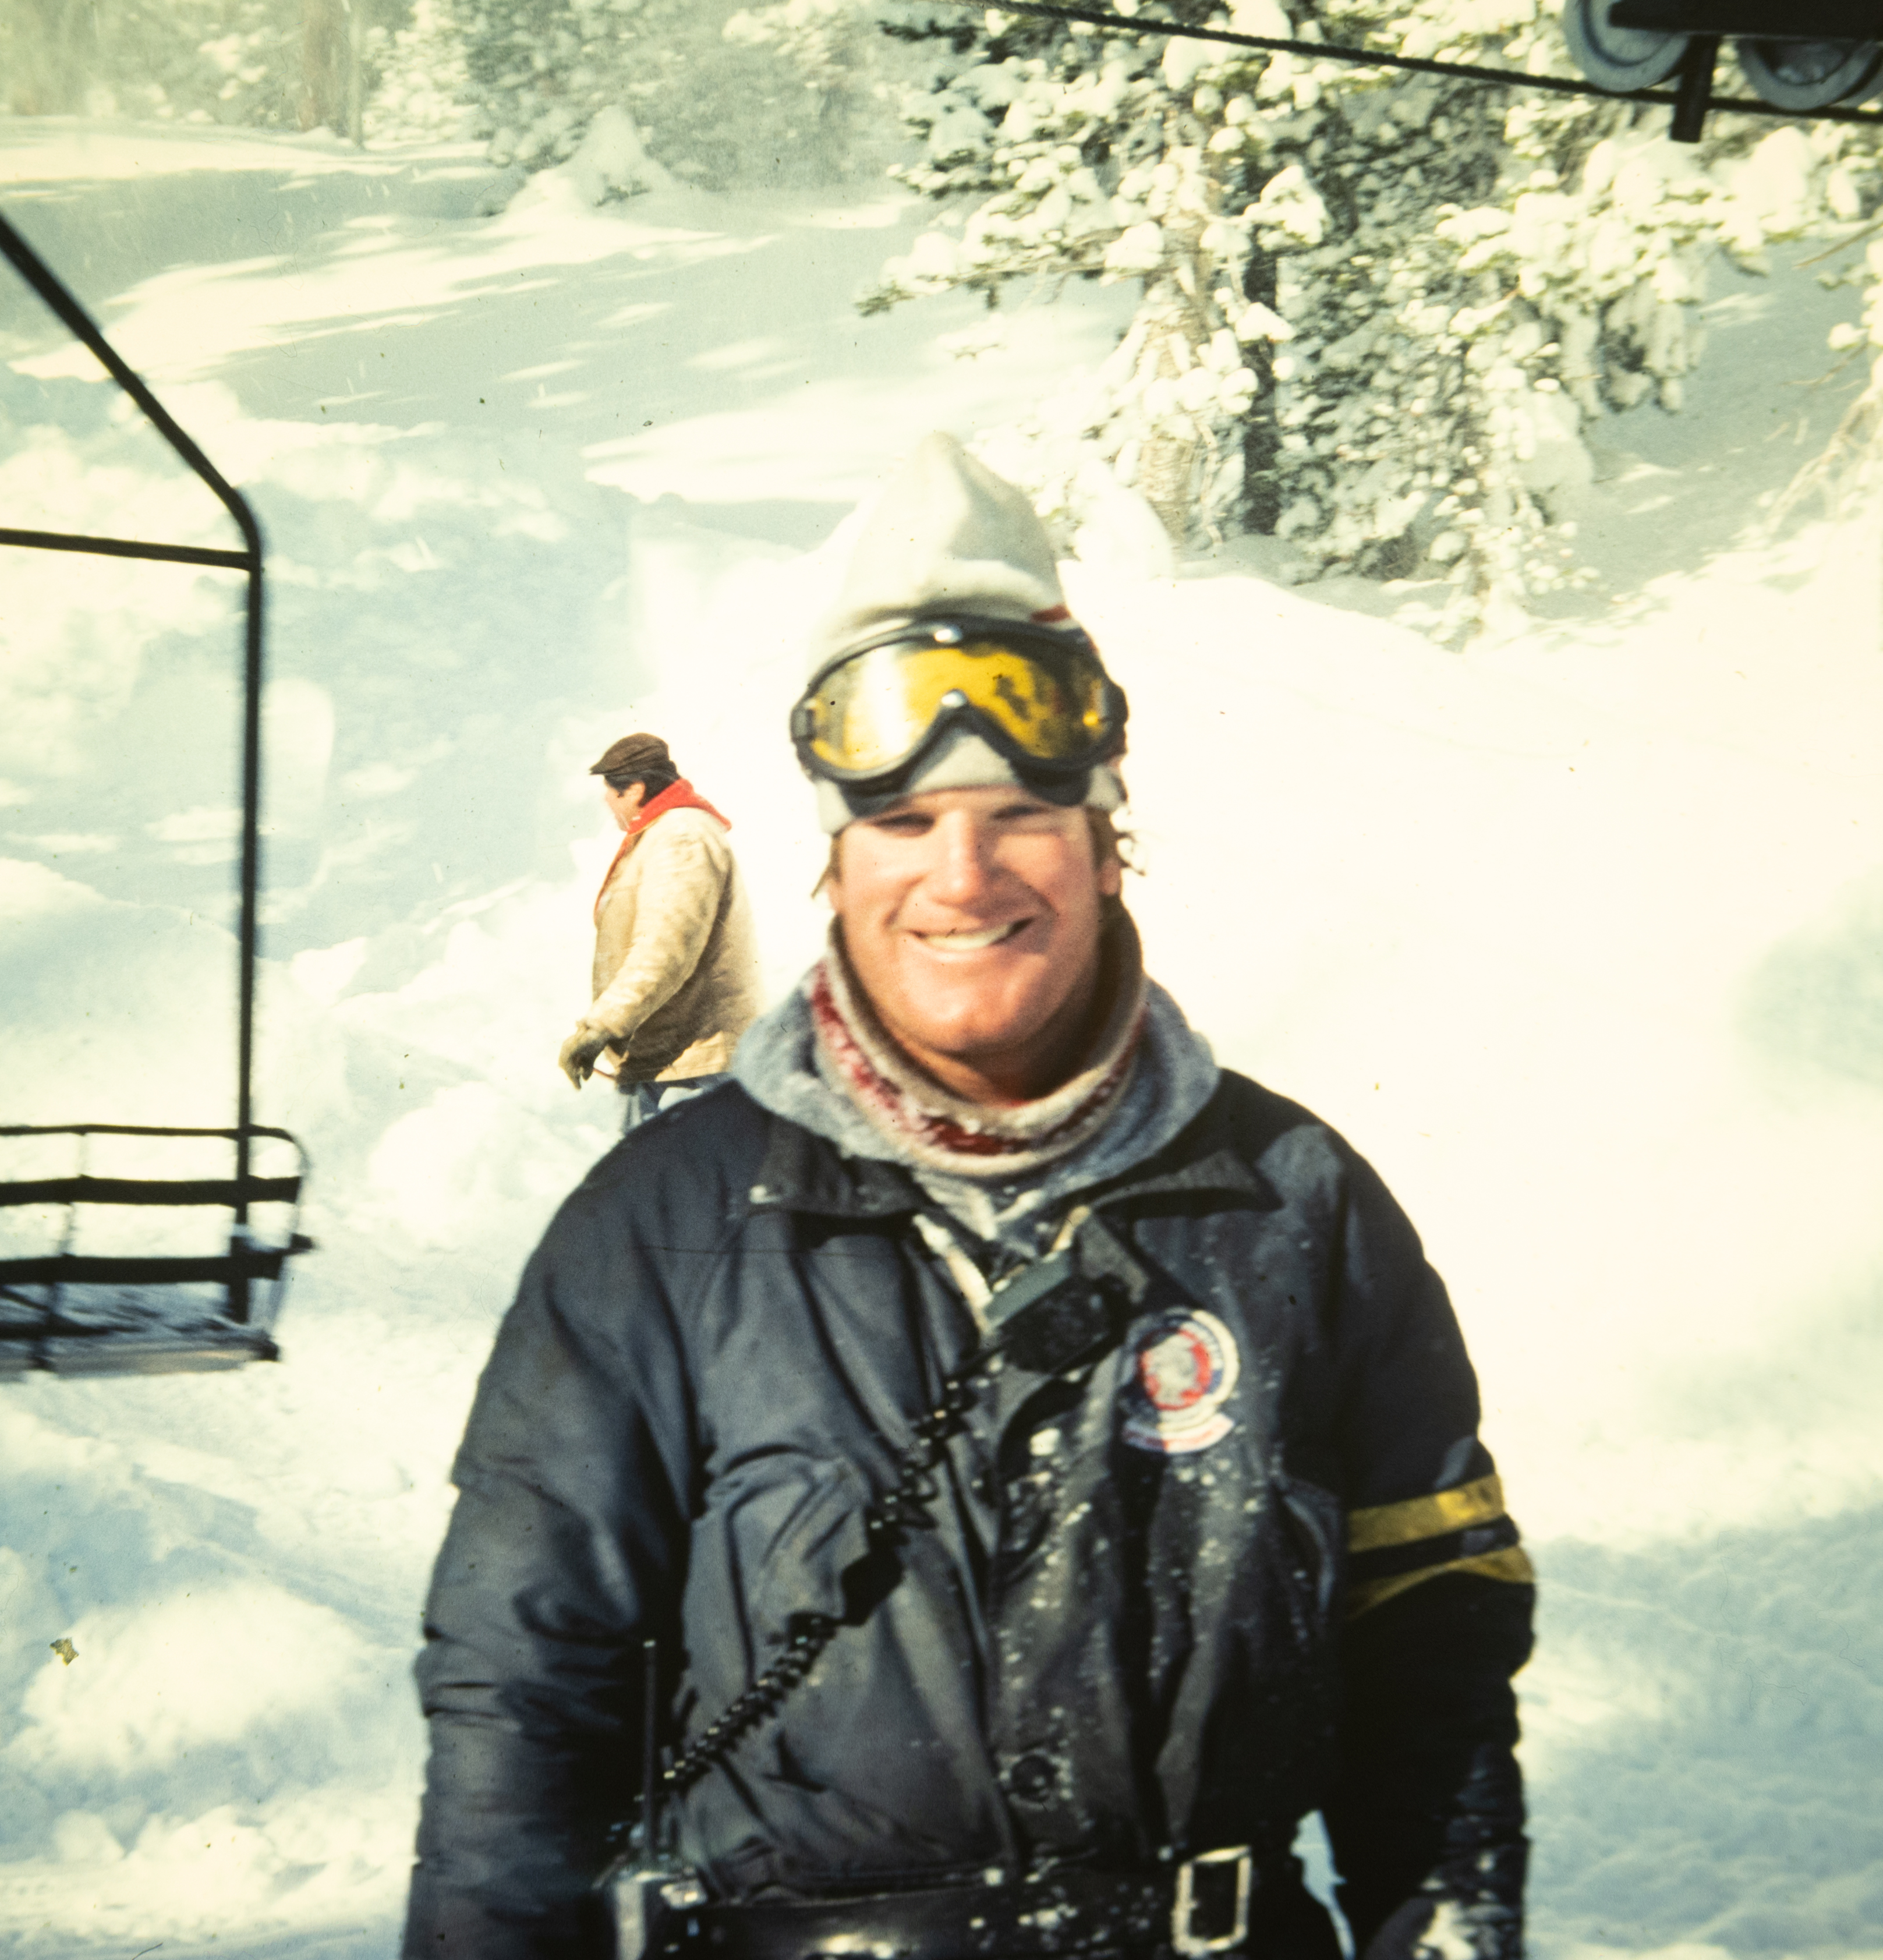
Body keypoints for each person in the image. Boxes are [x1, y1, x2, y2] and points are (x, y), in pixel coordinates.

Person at [413, 435, 1533, 1960]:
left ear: (1102, 838)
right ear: (832, 859)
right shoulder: (653, 1228)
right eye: (902, 822)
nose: (962, 874)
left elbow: (1435, 1669)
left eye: (1018, 811)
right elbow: (520, 1695)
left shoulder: (1293, 1206)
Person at [564, 733, 762, 1130]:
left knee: (683, 1184)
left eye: (611, 794)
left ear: (634, 790)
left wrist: (600, 1026)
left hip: (686, 1069)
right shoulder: (669, 834)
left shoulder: (679, 838)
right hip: (669, 1061)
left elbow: (664, 948)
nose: (608, 804)